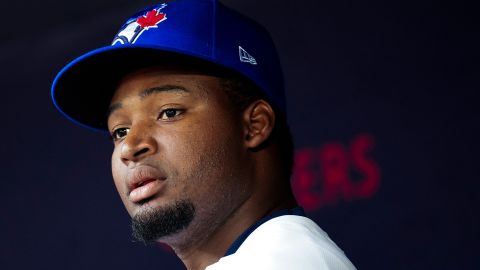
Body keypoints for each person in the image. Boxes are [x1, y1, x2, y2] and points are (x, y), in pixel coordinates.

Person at [51, 1, 357, 269]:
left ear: (255, 125)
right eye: (119, 131)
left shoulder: (282, 261)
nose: (130, 147)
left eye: (169, 112)